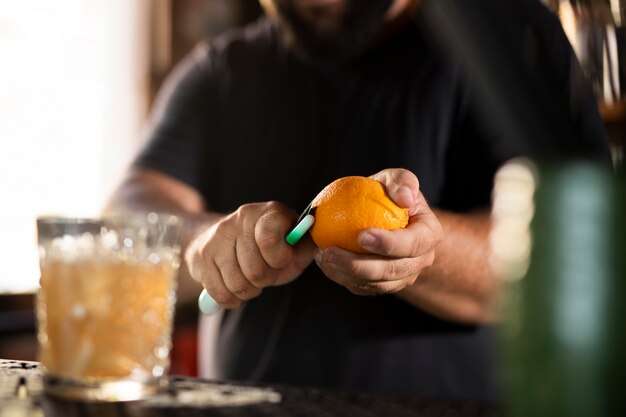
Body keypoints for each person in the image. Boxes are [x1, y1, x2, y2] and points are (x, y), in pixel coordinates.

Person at [106, 0, 611, 402]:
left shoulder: (508, 39)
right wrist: (200, 242)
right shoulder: (223, 71)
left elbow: (569, 258)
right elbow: (127, 212)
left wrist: (426, 254)